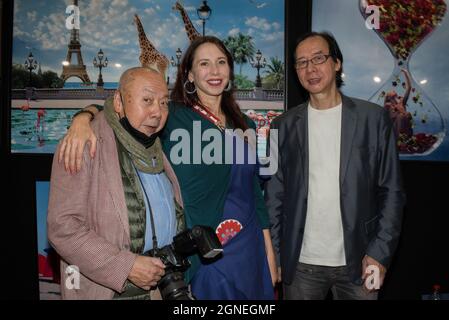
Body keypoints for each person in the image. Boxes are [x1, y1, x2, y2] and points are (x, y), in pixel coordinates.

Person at [58, 36, 277, 300]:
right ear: (190, 75)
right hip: (206, 250)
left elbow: (254, 190)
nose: (215, 71)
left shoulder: (246, 126)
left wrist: (269, 251)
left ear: (230, 70)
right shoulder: (171, 115)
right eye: (204, 64)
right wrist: (84, 117)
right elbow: (122, 108)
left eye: (221, 62)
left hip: (249, 244)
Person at [264, 31, 405, 300]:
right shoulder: (279, 126)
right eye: (302, 62)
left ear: (337, 62)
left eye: (319, 58)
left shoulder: (373, 120)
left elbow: (392, 192)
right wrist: (277, 256)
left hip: (361, 261)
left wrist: (379, 253)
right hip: (301, 264)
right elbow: (273, 196)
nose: (311, 69)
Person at [47, 67, 184, 299]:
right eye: (147, 100)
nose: (157, 112)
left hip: (158, 289)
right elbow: (63, 227)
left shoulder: (154, 146)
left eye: (163, 103)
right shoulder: (82, 143)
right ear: (119, 102)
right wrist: (126, 266)